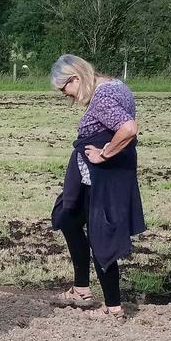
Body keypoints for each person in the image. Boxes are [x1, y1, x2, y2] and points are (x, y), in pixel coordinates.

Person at [49, 53, 145, 316]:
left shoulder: (102, 97)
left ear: (76, 78)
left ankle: (113, 307)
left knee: (101, 235)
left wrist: (104, 154)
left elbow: (128, 128)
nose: (65, 96)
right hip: (91, 178)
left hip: (101, 179)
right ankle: (82, 288)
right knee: (66, 217)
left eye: (64, 89)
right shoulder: (117, 86)